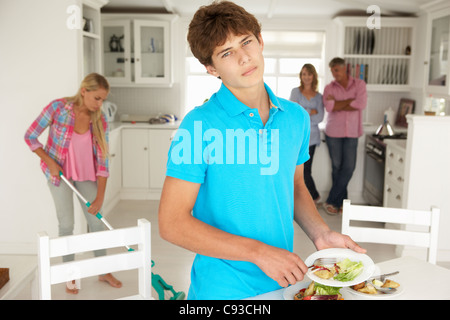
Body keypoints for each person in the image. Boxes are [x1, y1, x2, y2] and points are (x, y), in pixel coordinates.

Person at [158, 0, 366, 300]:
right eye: (227, 52)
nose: (244, 58)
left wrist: (321, 233)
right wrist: (259, 253)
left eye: (246, 42)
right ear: (211, 68)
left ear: (260, 42)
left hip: (283, 284)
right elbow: (172, 223)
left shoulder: (295, 117)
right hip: (221, 291)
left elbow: (294, 186)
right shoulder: (197, 125)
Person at [24, 73, 122, 294]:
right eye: (97, 98)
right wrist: (50, 162)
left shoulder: (100, 119)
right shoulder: (58, 108)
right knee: (66, 224)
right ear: (84, 91)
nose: (100, 104)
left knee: (96, 222)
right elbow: (30, 136)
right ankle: (70, 273)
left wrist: (99, 198)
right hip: (60, 177)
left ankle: (103, 269)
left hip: (87, 176)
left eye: (103, 99)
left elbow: (104, 161)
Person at [322, 57, 367, 215]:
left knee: (348, 168)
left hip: (352, 132)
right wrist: (350, 102)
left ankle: (331, 200)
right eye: (332, 71)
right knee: (337, 168)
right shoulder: (329, 87)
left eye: (336, 70)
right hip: (333, 132)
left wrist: (338, 103)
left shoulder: (359, 85)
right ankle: (341, 205)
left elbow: (361, 104)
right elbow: (329, 107)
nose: (334, 74)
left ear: (344, 69)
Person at [289, 64, 324, 204]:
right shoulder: (295, 92)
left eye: (309, 74)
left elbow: (320, 118)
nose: (306, 77)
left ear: (313, 76)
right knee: (295, 170)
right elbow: (293, 115)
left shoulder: (319, 97)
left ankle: (313, 197)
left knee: (306, 170)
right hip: (297, 136)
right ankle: (305, 198)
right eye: (304, 74)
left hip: (312, 138)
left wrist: (304, 111)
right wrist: (311, 112)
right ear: (301, 76)